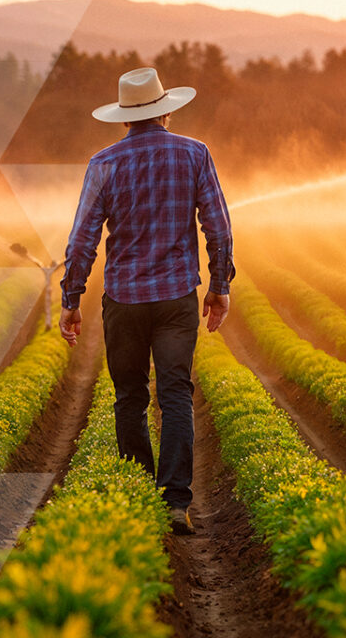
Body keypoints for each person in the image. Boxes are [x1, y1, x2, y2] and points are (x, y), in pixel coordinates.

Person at [58, 67, 234, 535]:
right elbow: (217, 227)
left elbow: (81, 241)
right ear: (167, 111)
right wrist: (220, 287)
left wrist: (71, 297)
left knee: (130, 397)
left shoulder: (104, 164)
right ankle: (176, 501)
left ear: (123, 119)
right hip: (177, 296)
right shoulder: (194, 153)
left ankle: (139, 496)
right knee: (175, 393)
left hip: (124, 299)